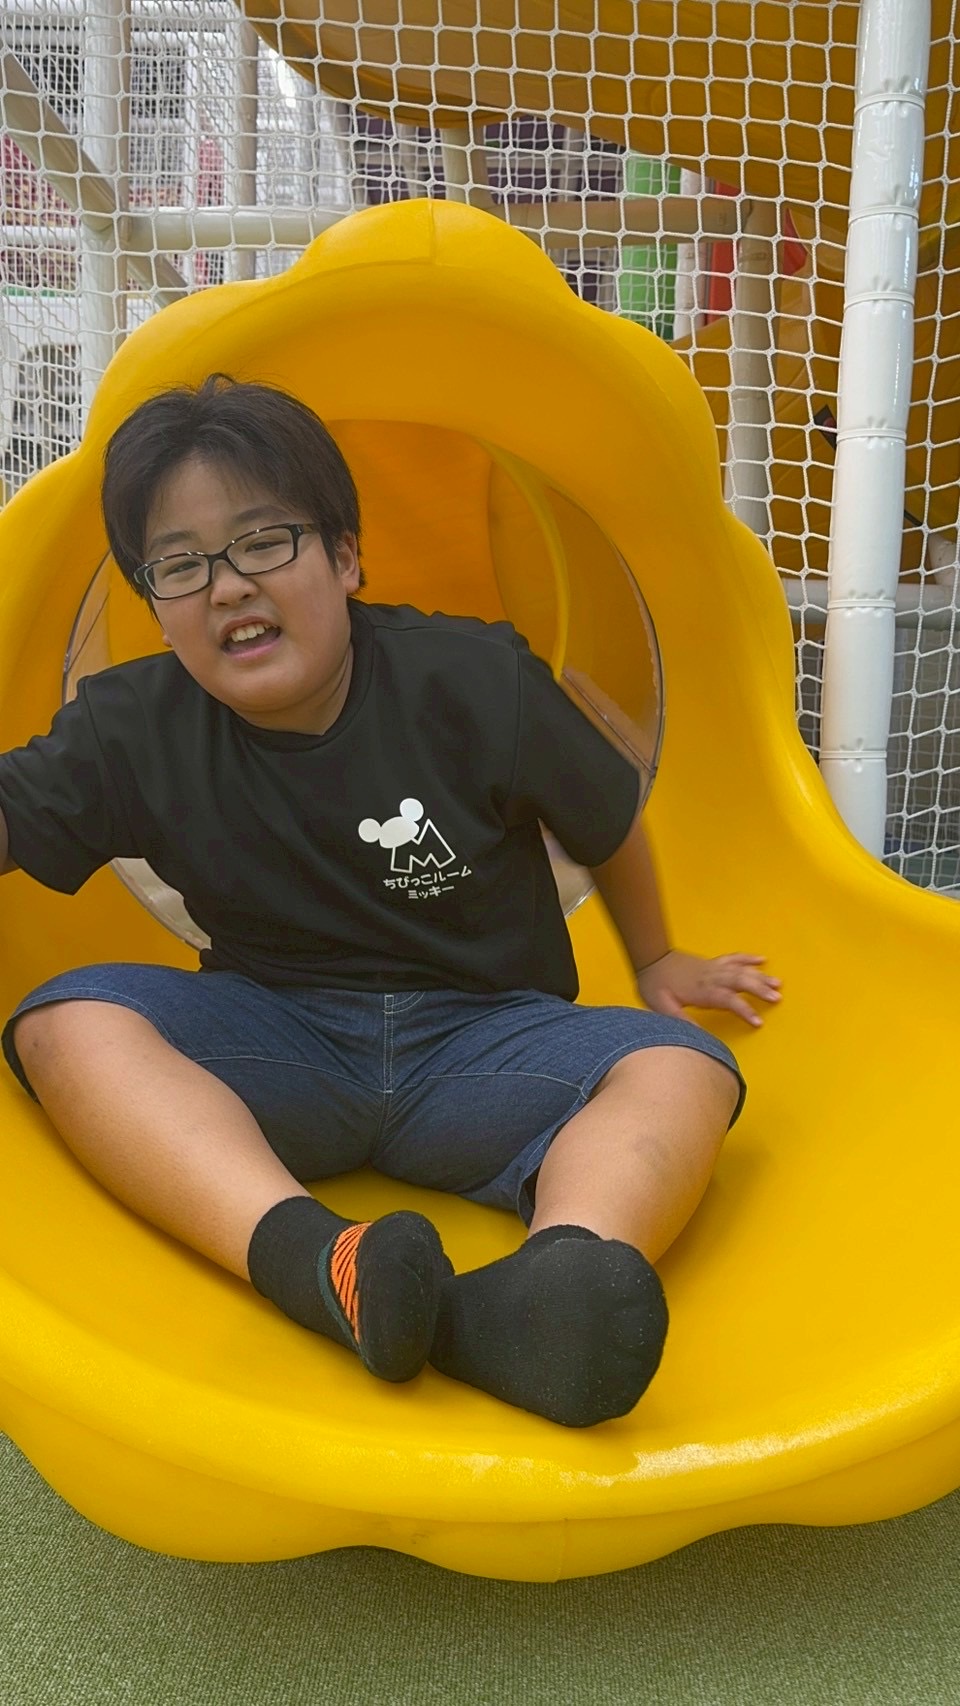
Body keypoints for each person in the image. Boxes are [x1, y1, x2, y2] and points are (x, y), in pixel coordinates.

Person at [0, 375, 779, 1429]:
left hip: (484, 1042)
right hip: (276, 1039)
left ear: (346, 556)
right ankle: (317, 1264)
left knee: (685, 1067)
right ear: (155, 605)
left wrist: (656, 959)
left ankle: (551, 1289)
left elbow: (607, 819)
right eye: (181, 564)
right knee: (64, 1022)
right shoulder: (131, 729)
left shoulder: (473, 679)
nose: (227, 586)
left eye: (263, 542)